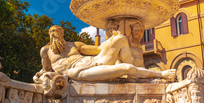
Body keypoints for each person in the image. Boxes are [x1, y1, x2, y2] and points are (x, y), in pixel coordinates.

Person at [40, 25, 175, 82]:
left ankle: (131, 76)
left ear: (63, 33)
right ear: (49, 35)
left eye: (58, 31)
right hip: (77, 72)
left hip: (93, 61)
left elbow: (98, 49)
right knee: (126, 68)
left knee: (121, 38)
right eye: (52, 31)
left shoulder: (74, 45)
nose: (55, 33)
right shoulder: (46, 50)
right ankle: (160, 74)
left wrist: (111, 39)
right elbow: (45, 69)